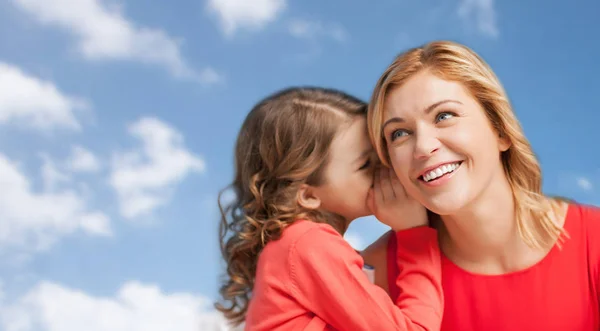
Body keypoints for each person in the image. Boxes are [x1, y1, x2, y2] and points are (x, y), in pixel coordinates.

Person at [363, 40, 600, 330]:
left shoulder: (594, 242)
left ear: (500, 130)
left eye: (444, 116)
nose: (422, 147)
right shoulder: (375, 270)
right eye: (399, 133)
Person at [215, 87, 444, 330]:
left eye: (381, 155)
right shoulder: (309, 244)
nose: (384, 169)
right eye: (366, 164)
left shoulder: (293, 246)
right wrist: (414, 234)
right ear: (308, 194)